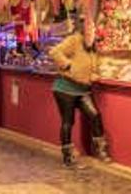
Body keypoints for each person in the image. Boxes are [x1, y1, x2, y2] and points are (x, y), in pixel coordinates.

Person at [49, 15, 111, 168]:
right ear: (82, 29)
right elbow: (55, 52)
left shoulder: (92, 46)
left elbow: (93, 63)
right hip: (65, 88)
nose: (92, 31)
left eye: (94, 28)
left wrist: (94, 73)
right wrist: (69, 66)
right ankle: (68, 158)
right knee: (68, 122)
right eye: (89, 28)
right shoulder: (74, 40)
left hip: (83, 90)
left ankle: (101, 150)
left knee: (95, 115)